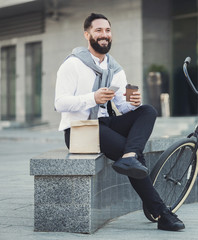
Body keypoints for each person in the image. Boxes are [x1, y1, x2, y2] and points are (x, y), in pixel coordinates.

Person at [54, 13, 185, 231]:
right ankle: (162, 212)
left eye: (107, 30)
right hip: (79, 129)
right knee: (132, 152)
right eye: (98, 30)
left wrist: (132, 103)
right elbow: (59, 103)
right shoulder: (73, 64)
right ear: (87, 35)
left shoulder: (115, 69)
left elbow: (122, 108)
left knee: (147, 111)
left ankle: (130, 156)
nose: (104, 35)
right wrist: (92, 98)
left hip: (106, 123)